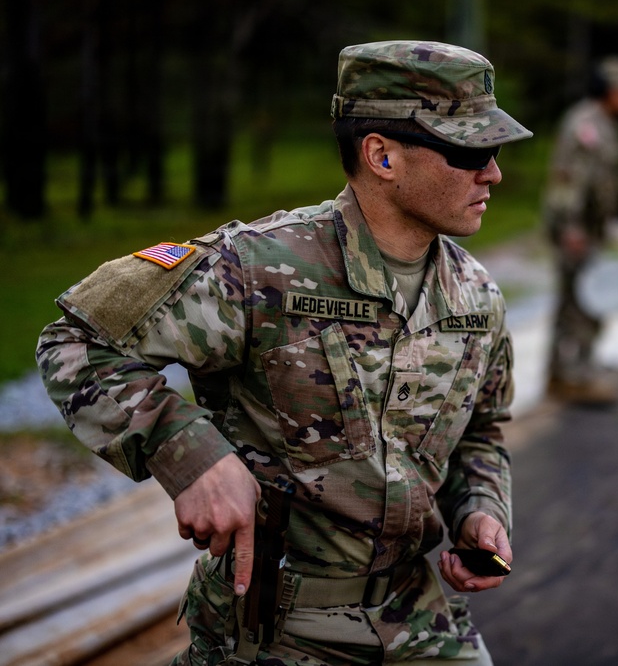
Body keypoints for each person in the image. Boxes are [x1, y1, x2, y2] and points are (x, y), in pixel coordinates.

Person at [36, 40, 531, 665]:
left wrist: (480, 508)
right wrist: (189, 455)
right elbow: (76, 340)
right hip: (274, 628)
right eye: (471, 151)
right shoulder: (259, 269)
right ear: (382, 155)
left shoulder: (476, 294)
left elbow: (482, 428)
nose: (494, 173)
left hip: (421, 617)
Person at [542, 55, 618, 407]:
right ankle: (574, 377)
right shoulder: (586, 125)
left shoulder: (603, 124)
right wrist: (571, 228)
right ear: (606, 91)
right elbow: (569, 180)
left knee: (578, 300)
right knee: (582, 303)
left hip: (590, 227)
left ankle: (564, 373)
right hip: (577, 228)